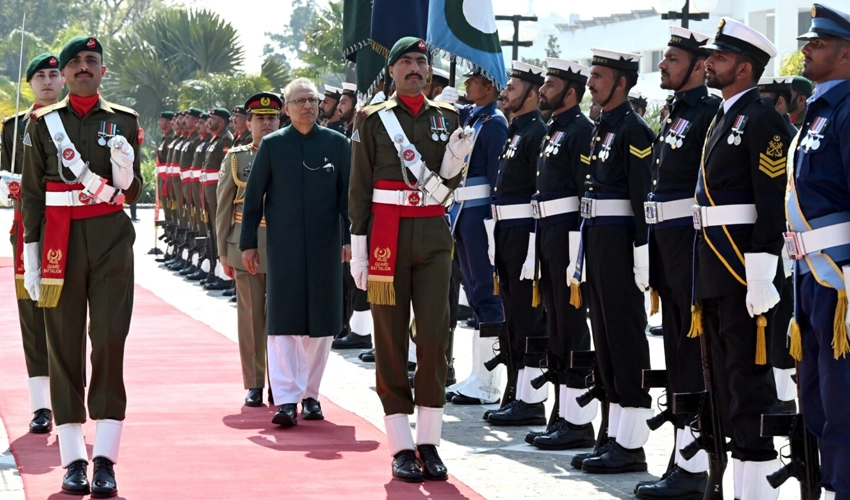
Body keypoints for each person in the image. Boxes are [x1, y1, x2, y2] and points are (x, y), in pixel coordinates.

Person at [20, 36, 142, 498]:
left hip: (111, 240)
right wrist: (31, 258)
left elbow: (132, 193)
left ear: (103, 70)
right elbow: (32, 195)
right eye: (75, 63)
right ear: (65, 74)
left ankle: (106, 458)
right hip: (59, 244)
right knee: (63, 344)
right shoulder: (43, 124)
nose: (83, 68)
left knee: (110, 339)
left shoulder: (124, 121)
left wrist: (126, 172)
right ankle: (73, 458)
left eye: (92, 60)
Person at [348, 36, 469, 482]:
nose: (416, 68)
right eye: (407, 62)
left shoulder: (450, 117)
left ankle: (430, 442)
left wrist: (457, 162)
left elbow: (452, 184)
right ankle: (400, 444)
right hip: (386, 237)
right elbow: (359, 189)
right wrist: (358, 251)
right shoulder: (372, 120)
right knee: (391, 340)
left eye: (422, 61)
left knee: (436, 337)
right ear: (393, 72)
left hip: (435, 235)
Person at [693, 18, 790, 498]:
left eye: (721, 58)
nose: (709, 63)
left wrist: (761, 270)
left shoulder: (762, 117)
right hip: (714, 263)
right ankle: (730, 481)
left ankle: (756, 488)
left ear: (745, 67)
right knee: (721, 380)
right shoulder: (725, 114)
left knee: (748, 381)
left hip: (739, 265)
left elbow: (771, 200)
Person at [636, 27, 719, 500]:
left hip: (690, 248)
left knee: (693, 357)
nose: (663, 65)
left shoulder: (707, 113)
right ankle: (681, 457)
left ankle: (695, 466)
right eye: (664, 57)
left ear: (696, 65)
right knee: (675, 354)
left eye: (671, 59)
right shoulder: (675, 114)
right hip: (666, 249)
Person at [240, 82, 351, 427]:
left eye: (312, 101)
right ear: (286, 108)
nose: (307, 106)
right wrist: (248, 243)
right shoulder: (273, 145)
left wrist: (349, 240)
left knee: (321, 324)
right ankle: (287, 399)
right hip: (283, 245)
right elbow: (253, 196)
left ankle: (311, 396)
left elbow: (348, 197)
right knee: (284, 322)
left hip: (326, 244)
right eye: (299, 101)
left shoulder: (338, 144)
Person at [571, 49, 654, 475]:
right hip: (599, 242)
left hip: (621, 245)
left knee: (624, 337)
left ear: (621, 82)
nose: (591, 83)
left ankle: (633, 440)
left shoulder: (634, 131)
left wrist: (643, 251)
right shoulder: (604, 125)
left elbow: (642, 197)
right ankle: (615, 434)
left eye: (599, 77)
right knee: (604, 338)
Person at [789, 6, 850, 499]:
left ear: (845, 52)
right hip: (809, 274)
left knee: (842, 398)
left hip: (841, 278)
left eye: (818, 43)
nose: (806, 49)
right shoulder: (821, 107)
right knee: (815, 396)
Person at [526, 58, 597, 450]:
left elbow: (585, 191)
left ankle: (578, 420)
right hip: (548, 233)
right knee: (555, 325)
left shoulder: (580, 131)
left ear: (570, 92)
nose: (542, 91)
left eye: (550, 85)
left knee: (571, 327)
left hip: (569, 234)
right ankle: (561, 412)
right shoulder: (554, 129)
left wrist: (578, 248)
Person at [0, 53, 62, 435]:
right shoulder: (13, 127)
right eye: (40, 75)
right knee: (32, 320)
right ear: (30, 83)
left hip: (71, 229)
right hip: (27, 231)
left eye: (54, 74)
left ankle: (69, 398)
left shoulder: (76, 121)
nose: (47, 81)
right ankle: (41, 405)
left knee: (69, 317)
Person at [444, 68, 508, 407]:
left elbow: (496, 174)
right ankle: (476, 375)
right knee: (475, 293)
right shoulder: (473, 118)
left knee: (486, 293)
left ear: (489, 87)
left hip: (480, 213)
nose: (466, 84)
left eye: (473, 81)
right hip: (462, 213)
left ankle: (488, 381)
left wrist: (493, 221)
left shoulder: (494, 123)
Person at [216, 95, 279, 407]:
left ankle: (280, 384)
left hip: (284, 246)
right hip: (246, 242)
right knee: (251, 317)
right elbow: (223, 206)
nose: (266, 124)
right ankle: (254, 383)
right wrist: (223, 251)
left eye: (272, 118)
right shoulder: (237, 158)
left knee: (283, 321)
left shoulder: (290, 153)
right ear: (249, 123)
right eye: (260, 119)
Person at [334, 82, 373, 350]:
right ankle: (350, 326)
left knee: (361, 276)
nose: (339, 107)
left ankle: (361, 332)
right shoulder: (344, 132)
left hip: (364, 209)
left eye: (343, 103)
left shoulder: (357, 130)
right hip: (348, 207)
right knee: (350, 276)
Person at [200, 107, 233, 290]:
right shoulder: (215, 139)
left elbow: (224, 168)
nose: (208, 122)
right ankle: (214, 269)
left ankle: (224, 275)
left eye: (211, 118)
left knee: (219, 228)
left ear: (221, 122)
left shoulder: (225, 139)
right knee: (210, 228)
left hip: (216, 189)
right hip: (207, 189)